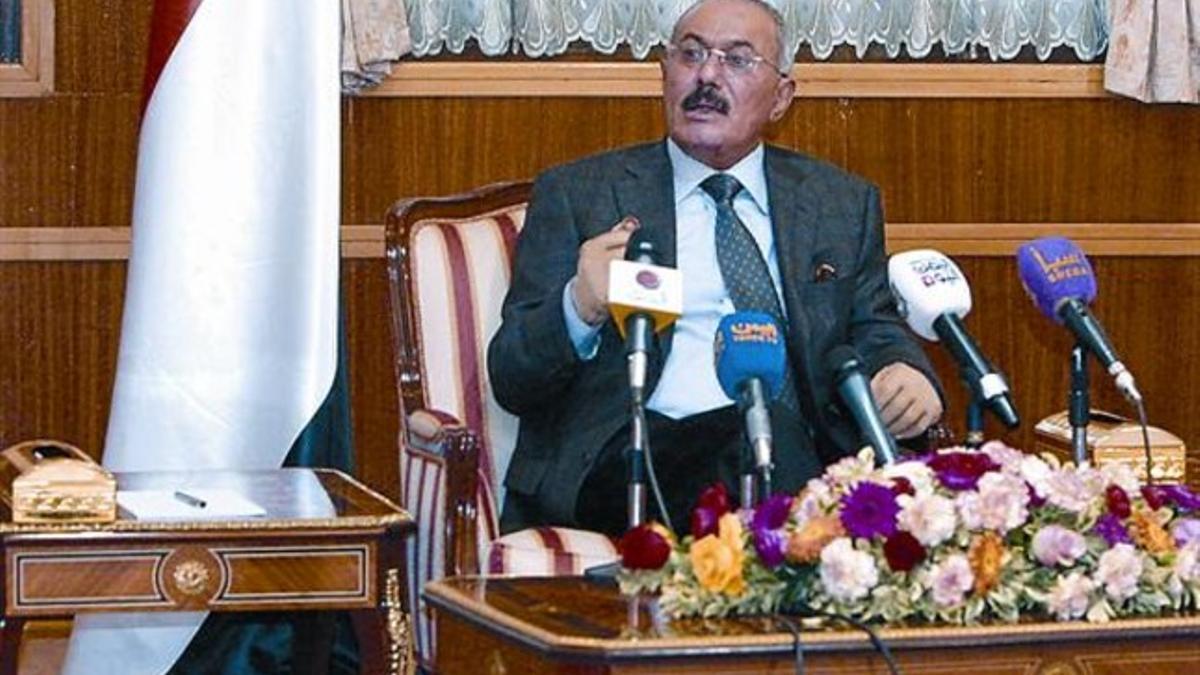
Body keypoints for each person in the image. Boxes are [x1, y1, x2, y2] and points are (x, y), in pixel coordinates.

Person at [487, 0, 943, 537]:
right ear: (664, 75)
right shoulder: (581, 194)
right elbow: (511, 376)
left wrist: (906, 372)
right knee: (767, 432)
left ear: (781, 97)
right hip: (630, 458)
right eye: (691, 54)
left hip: (794, 452)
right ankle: (818, 573)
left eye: (738, 60)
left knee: (786, 439)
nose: (706, 74)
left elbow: (874, 326)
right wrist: (578, 307)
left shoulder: (838, 202)